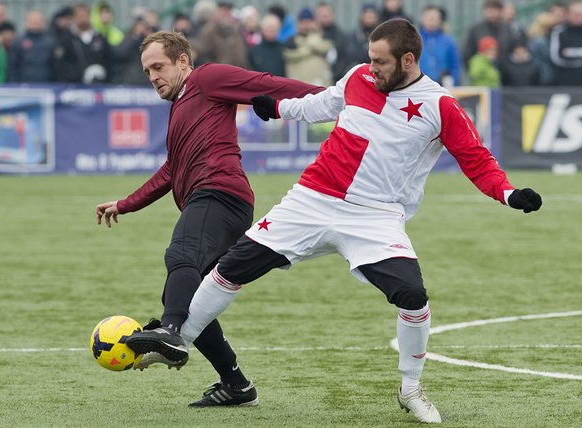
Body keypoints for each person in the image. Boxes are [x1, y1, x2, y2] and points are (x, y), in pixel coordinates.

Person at [167, 19, 541, 423]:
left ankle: (411, 389)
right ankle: (176, 342)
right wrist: (277, 108)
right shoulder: (360, 76)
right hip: (311, 200)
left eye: (380, 61)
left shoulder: (440, 105)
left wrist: (508, 194)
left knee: (413, 297)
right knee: (230, 268)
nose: (371, 67)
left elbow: (477, 160)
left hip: (375, 216)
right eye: (369, 58)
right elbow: (322, 103)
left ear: (408, 60)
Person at [95, 31, 323, 406]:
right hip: (214, 200)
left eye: (159, 67)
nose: (152, 76)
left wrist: (339, 95)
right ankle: (237, 385)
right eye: (147, 70)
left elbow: (271, 84)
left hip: (219, 193)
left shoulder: (207, 78)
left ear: (183, 61)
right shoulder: (180, 105)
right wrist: (126, 203)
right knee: (184, 297)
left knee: (180, 257)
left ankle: (170, 332)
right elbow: (171, 170)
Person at [284, 7, 334, 87]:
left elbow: (326, 48)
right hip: (299, 86)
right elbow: (288, 54)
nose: (305, 25)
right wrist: (311, 47)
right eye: (302, 22)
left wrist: (310, 40)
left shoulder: (324, 37)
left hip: (320, 86)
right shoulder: (291, 42)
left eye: (308, 22)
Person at [548, 0, 582, 86]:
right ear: (568, 14)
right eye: (575, 14)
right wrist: (580, 61)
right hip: (563, 81)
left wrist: (570, 52)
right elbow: (556, 58)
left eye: (581, 14)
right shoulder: (558, 31)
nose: (579, 17)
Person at [418, 5, 461, 86]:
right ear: (423, 19)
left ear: (440, 20)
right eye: (429, 17)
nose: (432, 20)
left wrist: (453, 82)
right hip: (420, 85)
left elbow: (455, 64)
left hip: (443, 86)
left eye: (435, 18)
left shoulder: (449, 41)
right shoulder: (415, 40)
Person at [8, 10, 55, 83]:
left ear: (44, 23)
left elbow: (55, 66)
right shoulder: (17, 42)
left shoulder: (51, 42)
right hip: (24, 85)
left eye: (38, 20)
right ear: (26, 22)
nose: (35, 23)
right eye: (32, 20)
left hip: (46, 84)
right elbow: (13, 67)